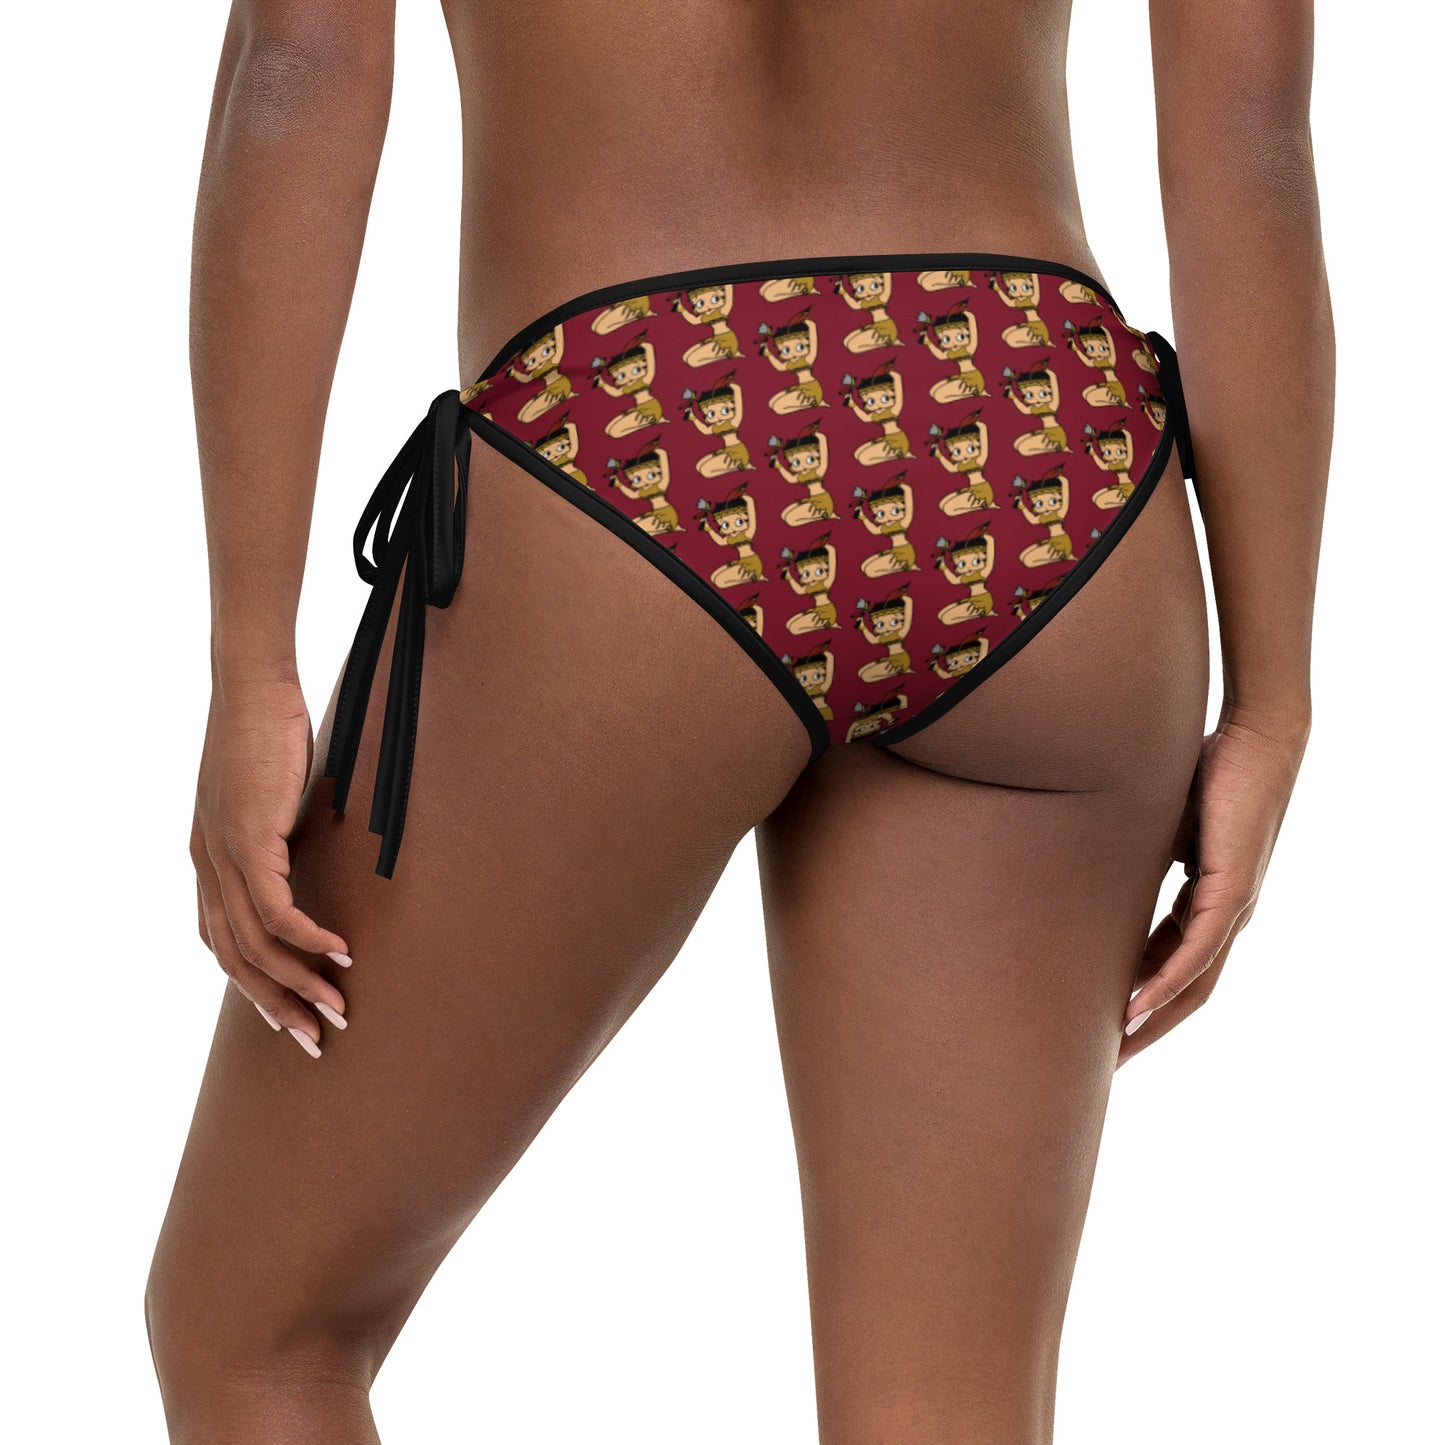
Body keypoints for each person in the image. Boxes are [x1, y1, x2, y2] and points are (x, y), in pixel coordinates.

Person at [145, 2, 1332, 1440]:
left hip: (637, 421)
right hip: (1030, 435)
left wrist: (249, 663)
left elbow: (300, 61)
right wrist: (1270, 696)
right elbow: (1249, 137)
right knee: (944, 1406)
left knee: (256, 1336)